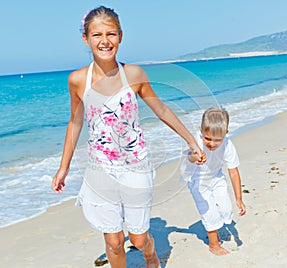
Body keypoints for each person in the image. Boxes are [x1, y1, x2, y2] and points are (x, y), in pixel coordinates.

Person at [51, 6, 205, 268]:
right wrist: (63, 168)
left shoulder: (134, 74)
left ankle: (150, 254)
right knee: (113, 242)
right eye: (97, 34)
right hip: (99, 169)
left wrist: (191, 141)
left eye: (111, 34)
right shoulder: (77, 80)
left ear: (120, 36)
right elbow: (75, 122)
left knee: (138, 238)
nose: (104, 41)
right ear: (86, 39)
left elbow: (162, 110)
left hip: (136, 167)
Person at [180, 107, 246, 256]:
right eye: (207, 138)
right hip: (197, 180)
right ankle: (214, 244)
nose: (211, 143)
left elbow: (233, 171)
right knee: (209, 212)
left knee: (226, 209)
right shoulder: (195, 140)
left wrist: (239, 198)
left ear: (225, 134)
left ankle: (217, 225)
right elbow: (189, 156)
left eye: (217, 140)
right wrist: (195, 157)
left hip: (216, 177)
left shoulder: (228, 145)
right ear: (201, 130)